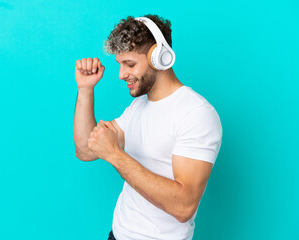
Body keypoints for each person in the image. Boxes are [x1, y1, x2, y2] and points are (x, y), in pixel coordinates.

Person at [73, 14, 222, 240]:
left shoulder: (196, 114)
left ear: (158, 57)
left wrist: (115, 155)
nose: (122, 75)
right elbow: (85, 149)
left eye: (129, 64)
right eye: (120, 64)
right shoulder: (137, 108)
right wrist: (85, 90)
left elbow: (184, 207)